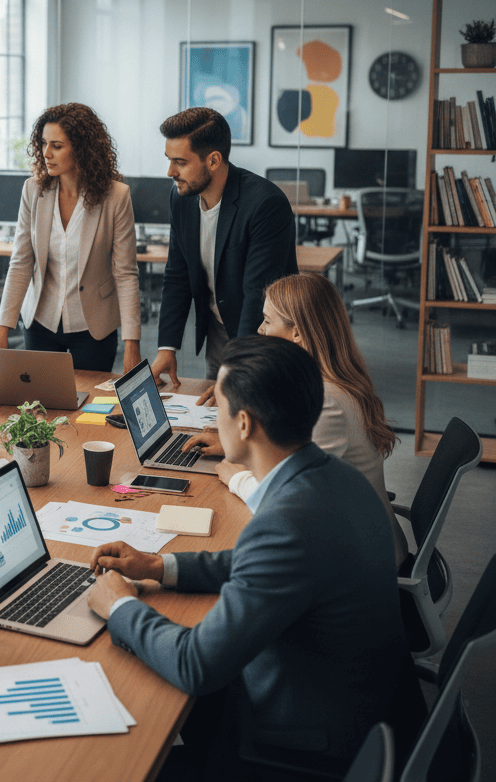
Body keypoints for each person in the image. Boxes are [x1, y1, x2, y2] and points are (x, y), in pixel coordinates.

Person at [87, 336, 419, 777]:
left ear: (243, 424)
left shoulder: (287, 522)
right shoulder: (333, 478)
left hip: (306, 745)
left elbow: (195, 664)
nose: (213, 418)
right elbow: (263, 565)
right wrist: (159, 566)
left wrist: (120, 607)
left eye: (218, 407)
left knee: (132, 741)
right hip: (368, 706)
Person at [183, 273, 408, 564]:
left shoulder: (327, 402)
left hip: (363, 561)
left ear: (298, 333)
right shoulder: (321, 382)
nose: (259, 330)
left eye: (267, 321)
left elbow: (292, 503)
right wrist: (237, 443)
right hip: (351, 536)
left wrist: (237, 477)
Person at [0, 103, 141, 374]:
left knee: (90, 411)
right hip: (41, 322)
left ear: (82, 148)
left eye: (57, 145)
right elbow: (21, 263)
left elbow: (126, 274)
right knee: (40, 407)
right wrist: (2, 331)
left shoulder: (116, 197)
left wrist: (133, 346)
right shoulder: (33, 191)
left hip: (94, 326)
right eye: (44, 143)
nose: (46, 153)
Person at [151, 107, 297, 387]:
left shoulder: (265, 204)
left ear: (214, 160)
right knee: (214, 418)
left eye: (180, 162)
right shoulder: (181, 198)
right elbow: (177, 274)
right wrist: (166, 347)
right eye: (169, 160)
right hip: (218, 328)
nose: (170, 172)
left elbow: (257, 295)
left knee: (253, 413)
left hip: (263, 336)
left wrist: (237, 370)